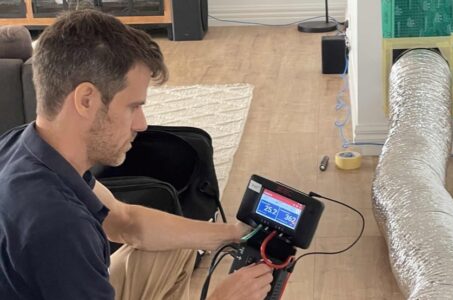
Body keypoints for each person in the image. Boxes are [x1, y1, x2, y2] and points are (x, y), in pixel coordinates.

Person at [0, 9, 273, 300]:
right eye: (133, 106)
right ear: (86, 100)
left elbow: (126, 222)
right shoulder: (60, 225)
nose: (141, 124)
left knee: (173, 246)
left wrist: (232, 233)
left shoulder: (24, 144)